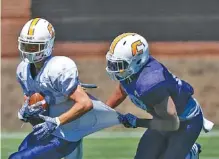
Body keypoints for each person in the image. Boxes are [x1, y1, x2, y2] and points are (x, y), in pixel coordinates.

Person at [9, 18, 120, 159]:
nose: (28, 51)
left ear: (48, 45)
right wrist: (25, 111)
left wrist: (56, 121)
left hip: (66, 133)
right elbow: (31, 101)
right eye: (25, 46)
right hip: (50, 132)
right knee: (21, 151)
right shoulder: (23, 69)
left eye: (34, 47)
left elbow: (85, 103)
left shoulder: (58, 68)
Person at [105, 33, 214, 159]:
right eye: (112, 63)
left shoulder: (149, 84)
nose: (114, 69)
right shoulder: (131, 72)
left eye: (119, 65)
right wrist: (104, 110)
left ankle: (189, 153)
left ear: (138, 61)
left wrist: (137, 122)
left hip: (185, 122)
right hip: (164, 118)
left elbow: (172, 124)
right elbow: (122, 90)